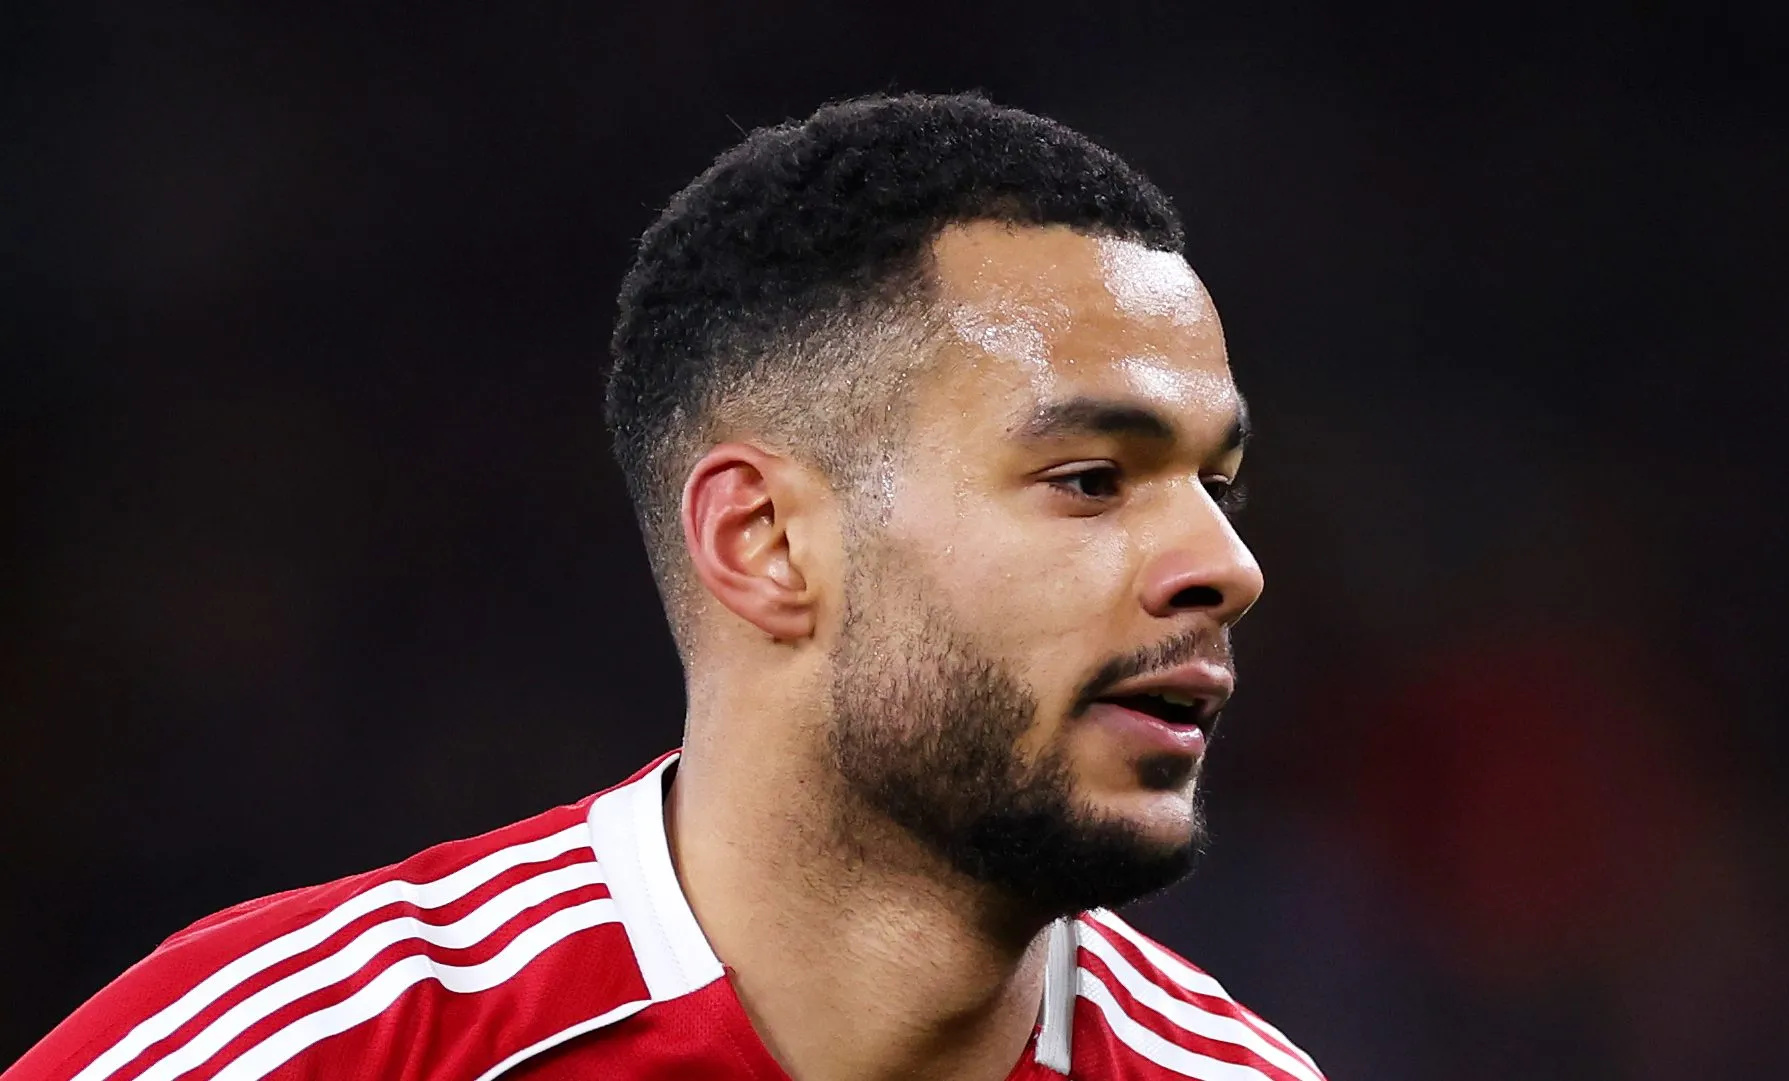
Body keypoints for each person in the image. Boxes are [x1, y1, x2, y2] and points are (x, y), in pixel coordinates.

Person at [8, 92, 1323, 1081]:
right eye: (1093, 479)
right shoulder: (319, 1046)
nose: (1227, 566)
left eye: (1221, 485)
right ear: (763, 541)